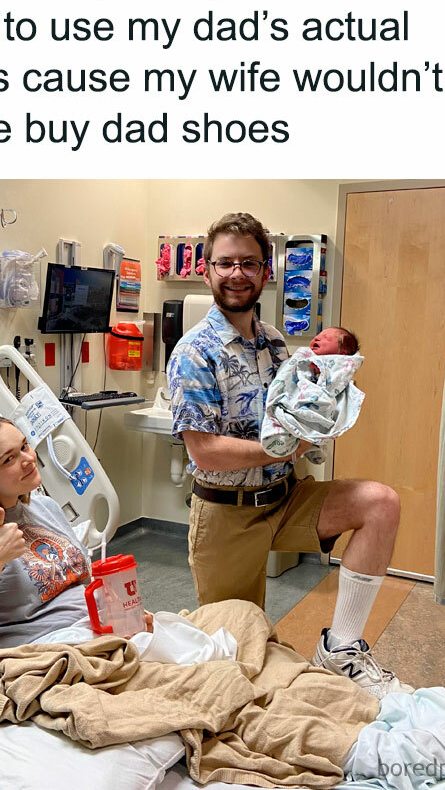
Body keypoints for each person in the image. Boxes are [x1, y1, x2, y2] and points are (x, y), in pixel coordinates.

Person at [167, 212, 412, 698]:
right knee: (237, 665)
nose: (237, 273)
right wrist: (286, 446)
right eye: (225, 263)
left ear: (266, 271)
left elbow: (302, 404)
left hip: (285, 497)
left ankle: (341, 650)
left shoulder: (278, 343)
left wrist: (330, 410)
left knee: (380, 503)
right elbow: (207, 452)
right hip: (225, 517)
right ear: (207, 270)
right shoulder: (195, 352)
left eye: (249, 263)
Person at [0, 415, 151, 671]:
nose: (29, 459)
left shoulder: (46, 508)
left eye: (24, 446)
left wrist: (123, 616)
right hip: (46, 656)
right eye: (9, 459)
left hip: (100, 635)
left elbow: (85, 587)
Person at [261, 325, 365, 463]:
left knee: (316, 414)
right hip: (298, 391)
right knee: (288, 405)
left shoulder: (339, 366)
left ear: (343, 352)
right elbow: (294, 369)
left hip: (316, 397)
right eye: (318, 336)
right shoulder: (307, 355)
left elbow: (333, 383)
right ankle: (284, 434)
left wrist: (323, 370)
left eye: (326, 338)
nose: (317, 338)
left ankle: (311, 443)